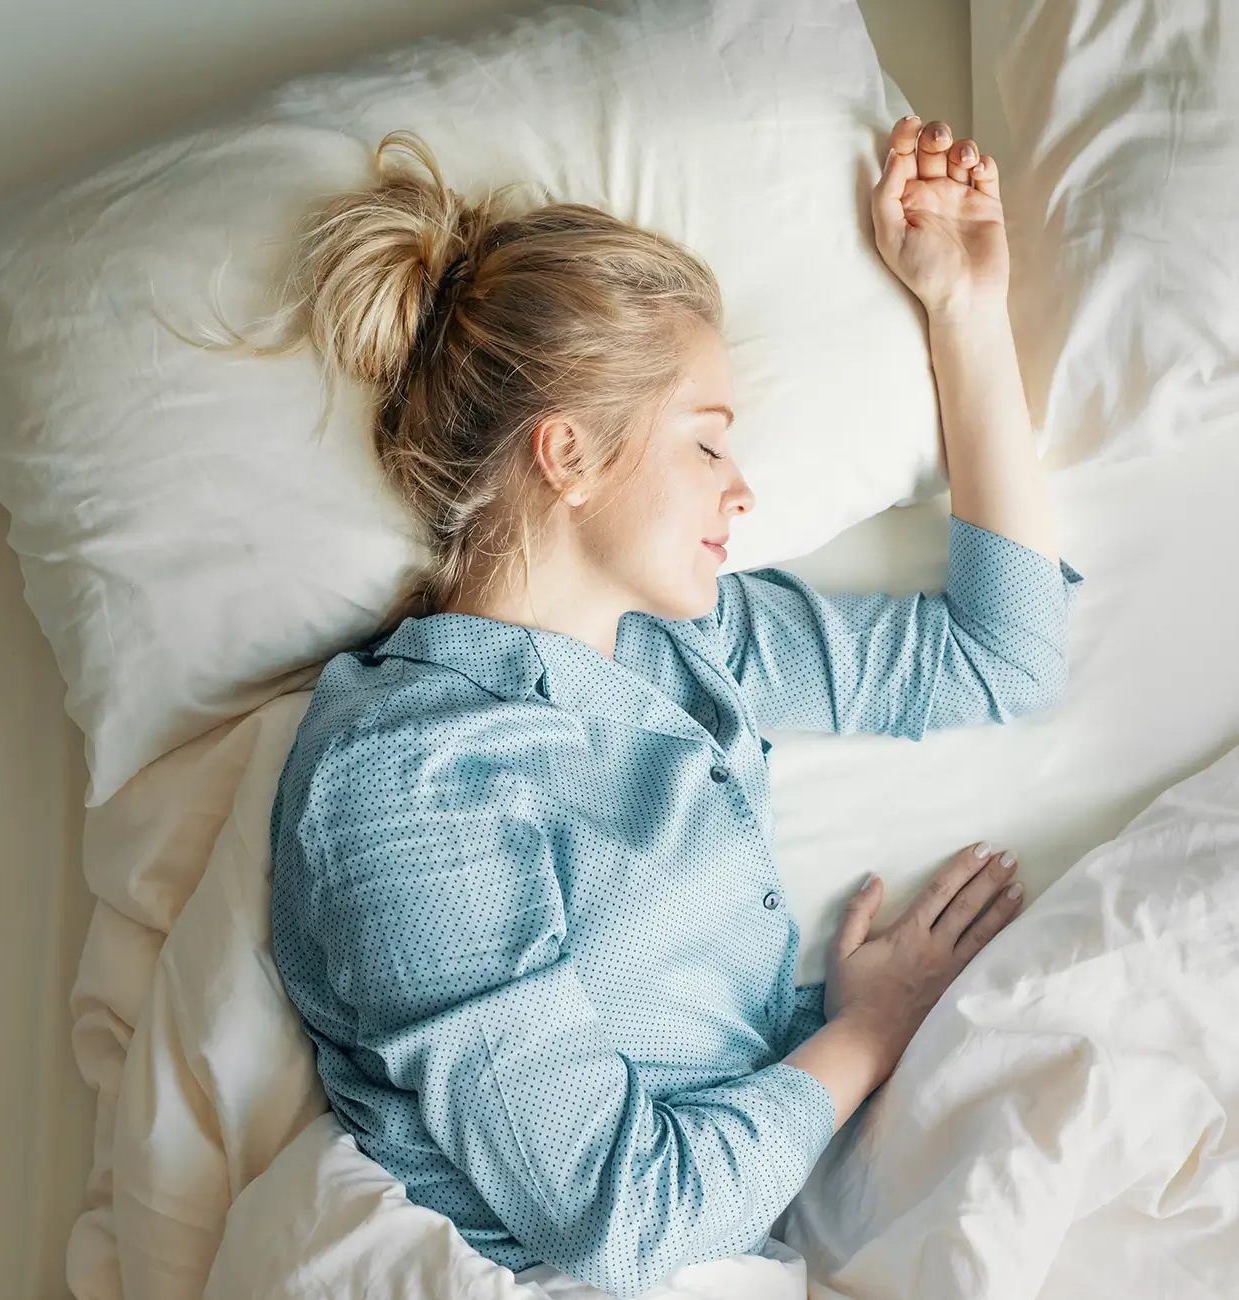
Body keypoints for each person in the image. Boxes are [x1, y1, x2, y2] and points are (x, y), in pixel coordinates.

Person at [268, 115, 1084, 1298]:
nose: (741, 488)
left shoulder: (682, 644)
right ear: (568, 455)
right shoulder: (404, 785)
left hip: (762, 1231)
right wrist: (865, 1029)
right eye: (706, 445)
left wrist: (963, 310)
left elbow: (1001, 655)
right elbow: (625, 1219)